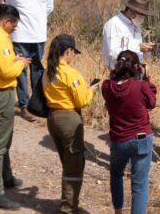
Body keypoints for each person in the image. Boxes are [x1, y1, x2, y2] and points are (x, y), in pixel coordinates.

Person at [0, 4, 31, 210]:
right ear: (6, 22)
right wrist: (21, 64)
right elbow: (6, 72)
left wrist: (12, 59)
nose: (14, 30)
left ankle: (5, 177)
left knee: (3, 138)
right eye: (14, 26)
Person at [42, 34, 98, 213]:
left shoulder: (47, 71)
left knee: (67, 162)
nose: (73, 56)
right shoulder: (70, 73)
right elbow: (82, 100)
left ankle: (68, 202)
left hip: (53, 118)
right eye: (73, 52)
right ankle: (68, 208)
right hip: (69, 120)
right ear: (68, 51)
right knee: (74, 165)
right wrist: (91, 90)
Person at [102, 50, 156, 214]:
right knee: (139, 186)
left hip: (118, 140)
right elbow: (152, 103)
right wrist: (147, 79)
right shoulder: (141, 86)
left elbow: (114, 85)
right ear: (136, 67)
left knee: (116, 175)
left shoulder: (107, 86)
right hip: (141, 138)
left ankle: (118, 211)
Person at [2, 0, 54, 122]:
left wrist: (36, 20)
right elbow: (5, 7)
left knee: (38, 69)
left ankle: (36, 104)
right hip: (18, 35)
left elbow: (49, 7)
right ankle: (24, 105)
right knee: (20, 70)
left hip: (38, 35)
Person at [102, 0, 155, 70]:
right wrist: (137, 47)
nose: (143, 17)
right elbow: (112, 53)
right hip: (119, 75)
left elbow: (138, 54)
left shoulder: (135, 26)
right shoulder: (114, 24)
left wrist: (146, 49)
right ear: (131, 10)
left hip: (135, 73)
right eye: (141, 14)